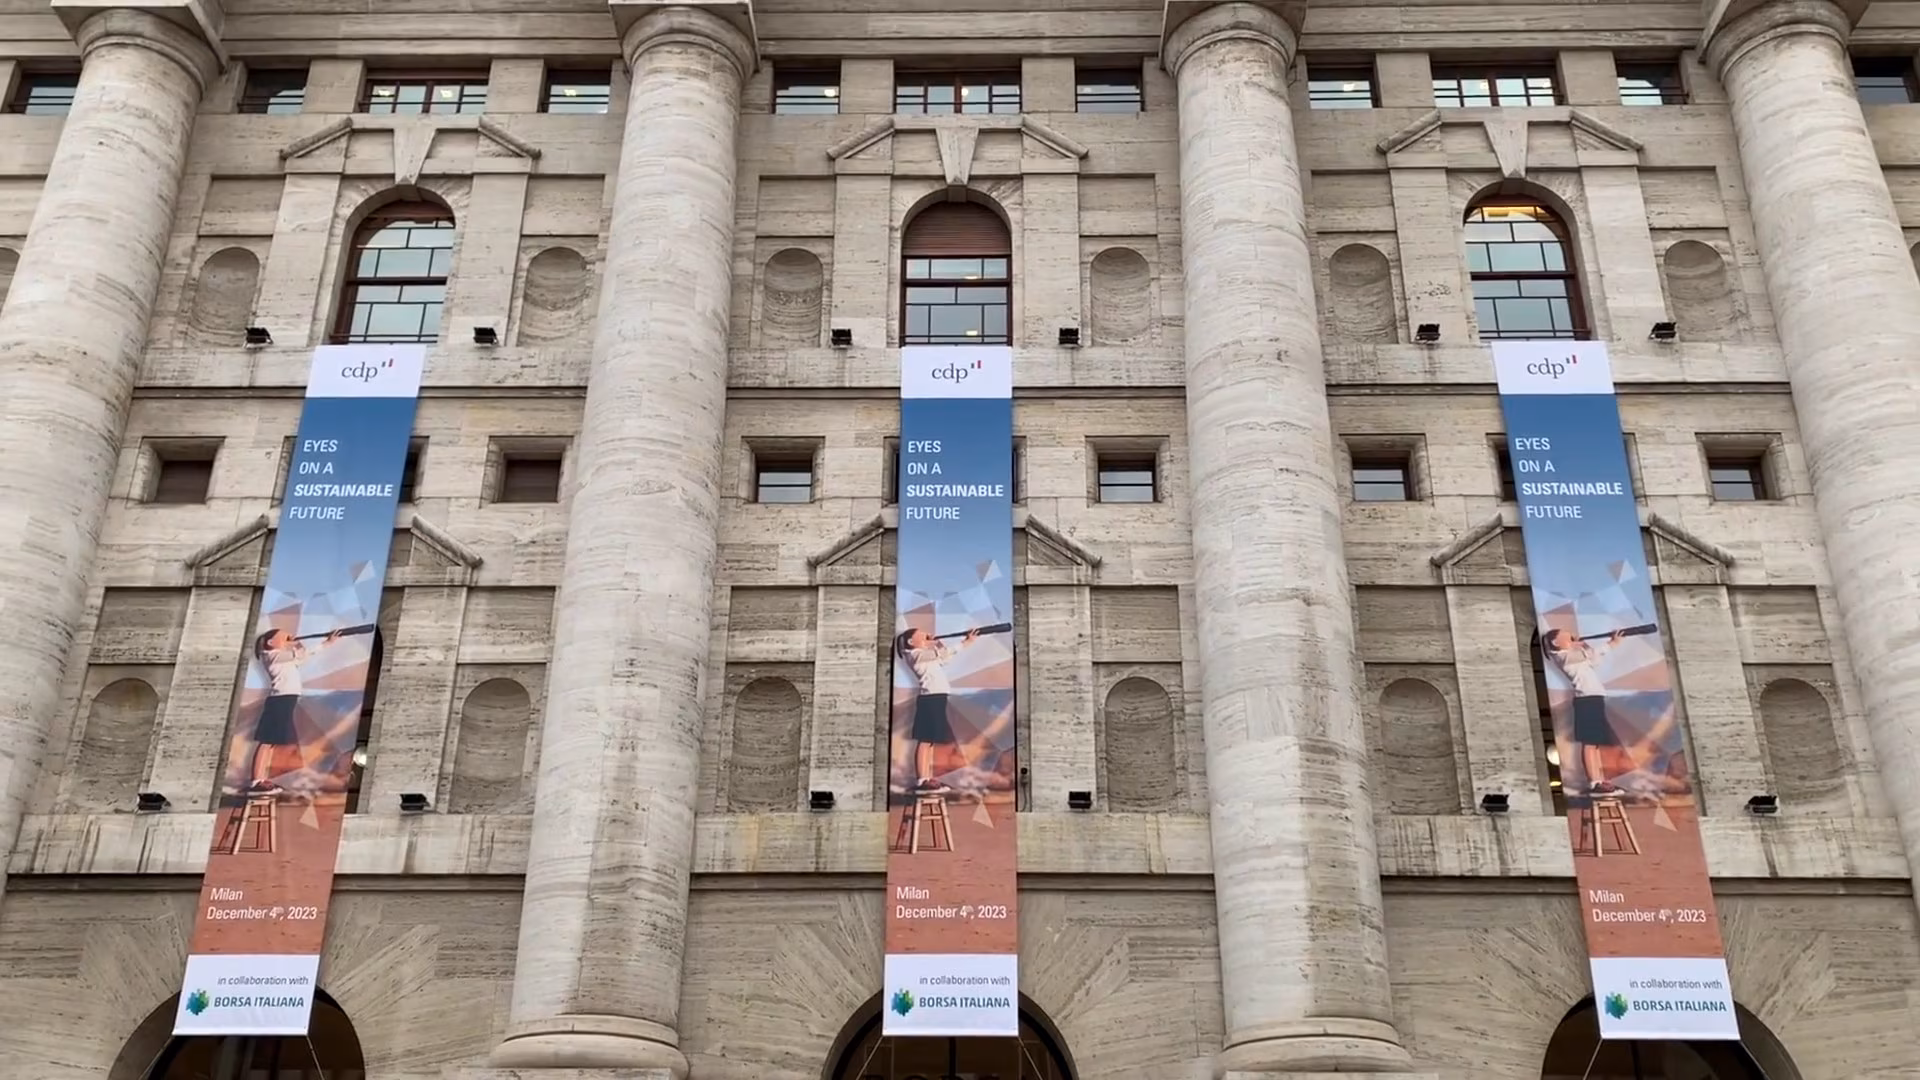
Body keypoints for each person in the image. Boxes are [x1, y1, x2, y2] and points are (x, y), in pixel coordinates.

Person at [241, 626, 345, 794]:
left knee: (271, 742)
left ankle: (260, 779)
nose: (289, 638)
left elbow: (304, 656)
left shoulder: (283, 658)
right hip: (279, 701)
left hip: (286, 700)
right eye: (285, 637)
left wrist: (325, 643)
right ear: (271, 642)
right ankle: (256, 781)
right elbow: (301, 654)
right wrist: (299, 644)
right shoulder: (272, 655)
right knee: (266, 741)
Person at [1543, 626, 1628, 797]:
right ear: (1556, 642)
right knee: (1589, 743)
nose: (1573, 638)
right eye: (1568, 637)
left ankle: (1599, 780)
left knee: (1594, 743)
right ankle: (1594, 782)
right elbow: (1588, 654)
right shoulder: (1562, 656)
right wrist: (1611, 643)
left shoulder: (1573, 656)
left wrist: (1588, 645)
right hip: (1586, 700)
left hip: (1594, 698)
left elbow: (1594, 660)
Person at [894, 625, 980, 792]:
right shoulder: (915, 655)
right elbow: (941, 654)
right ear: (911, 641)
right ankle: (921, 780)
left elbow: (945, 658)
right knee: (925, 740)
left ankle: (927, 778)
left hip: (937, 698)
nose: (927, 635)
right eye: (922, 635)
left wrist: (961, 642)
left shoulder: (925, 656)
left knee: (930, 741)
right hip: (930, 699)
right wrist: (961, 643)